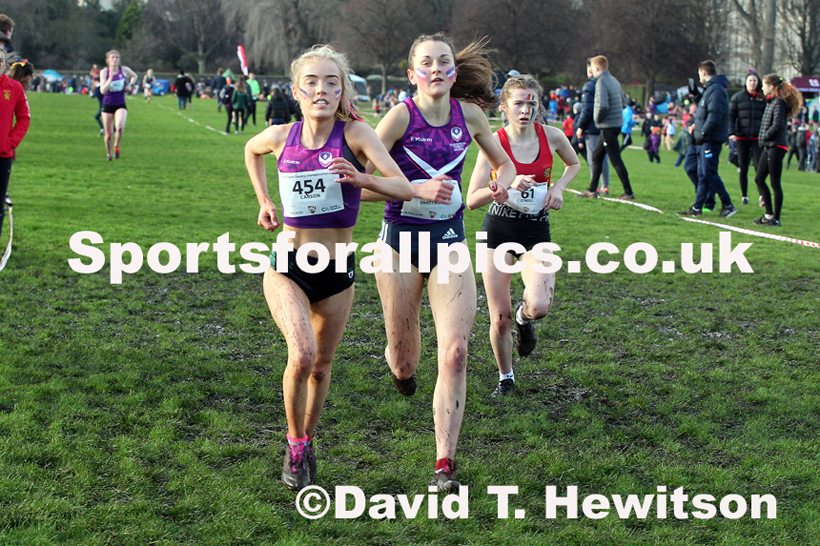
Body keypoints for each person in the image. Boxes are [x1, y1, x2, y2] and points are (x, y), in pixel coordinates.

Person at [244, 45, 413, 491]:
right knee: (300, 355)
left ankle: (309, 439)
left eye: (332, 82)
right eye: (313, 82)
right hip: (288, 265)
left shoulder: (356, 134)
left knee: (321, 366)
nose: (322, 90)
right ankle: (295, 445)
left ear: (343, 92)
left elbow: (401, 186)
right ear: (298, 90)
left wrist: (362, 179)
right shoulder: (282, 136)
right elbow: (250, 150)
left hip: (337, 272)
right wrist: (264, 201)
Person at [363, 34, 514, 493]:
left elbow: (502, 166)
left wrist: (499, 185)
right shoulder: (397, 119)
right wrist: (413, 189)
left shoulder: (468, 117)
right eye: (424, 63)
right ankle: (398, 365)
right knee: (407, 365)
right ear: (412, 75)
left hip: (449, 244)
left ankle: (444, 463)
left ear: (453, 72)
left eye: (442, 62)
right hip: (398, 246)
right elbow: (356, 187)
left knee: (454, 352)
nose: (434, 69)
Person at [466, 74, 580, 398]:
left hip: (535, 230)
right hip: (498, 229)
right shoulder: (494, 143)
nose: (526, 109)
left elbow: (574, 163)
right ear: (504, 107)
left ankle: (524, 317)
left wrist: (558, 188)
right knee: (498, 318)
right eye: (518, 102)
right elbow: (472, 199)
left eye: (532, 102)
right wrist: (501, 187)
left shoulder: (553, 137)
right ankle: (506, 378)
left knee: (540, 305)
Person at [677, 60, 737, 218]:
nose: (699, 77)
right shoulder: (710, 90)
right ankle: (698, 207)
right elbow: (705, 110)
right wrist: (696, 96)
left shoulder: (716, 90)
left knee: (709, 173)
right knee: (702, 173)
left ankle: (728, 204)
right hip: (703, 138)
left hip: (709, 139)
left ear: (704, 73)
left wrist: (703, 134)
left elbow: (714, 115)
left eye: (699, 74)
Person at [576, 55, 635, 200]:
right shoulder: (614, 80)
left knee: (615, 160)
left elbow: (602, 105)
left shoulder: (601, 82)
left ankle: (628, 192)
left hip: (608, 126)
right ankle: (592, 189)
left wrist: (597, 119)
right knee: (597, 156)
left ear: (595, 68)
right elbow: (621, 101)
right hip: (614, 124)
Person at [753, 74, 803, 227]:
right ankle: (768, 214)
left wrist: (765, 137)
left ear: (772, 87)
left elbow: (778, 125)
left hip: (776, 146)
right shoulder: (771, 102)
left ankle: (776, 218)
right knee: (759, 178)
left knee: (775, 183)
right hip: (769, 145)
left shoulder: (778, 103)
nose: (762, 87)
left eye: (764, 84)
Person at [0, 47, 30, 237]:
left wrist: (10, 142)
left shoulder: (14, 88)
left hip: (2, 155)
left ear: (4, 64)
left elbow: (24, 118)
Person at [728, 71, 765, 205]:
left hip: (757, 137)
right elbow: (731, 116)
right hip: (742, 137)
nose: (752, 83)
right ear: (745, 82)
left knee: (758, 166)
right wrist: (732, 132)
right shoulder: (737, 98)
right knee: (743, 167)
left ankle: (762, 195)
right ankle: (744, 195)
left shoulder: (762, 98)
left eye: (754, 81)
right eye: (750, 80)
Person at [574, 60, 610, 195]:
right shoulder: (606, 84)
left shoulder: (589, 86)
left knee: (593, 159)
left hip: (592, 128)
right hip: (604, 126)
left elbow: (587, 109)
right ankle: (604, 186)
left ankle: (594, 187)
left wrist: (580, 126)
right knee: (603, 157)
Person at [99, 50, 137, 161]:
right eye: (113, 57)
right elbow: (102, 91)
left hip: (120, 104)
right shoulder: (104, 72)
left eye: (117, 57)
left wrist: (130, 84)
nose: (115, 59)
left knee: (120, 127)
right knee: (109, 134)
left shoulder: (124, 70)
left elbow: (134, 76)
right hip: (107, 105)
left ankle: (116, 145)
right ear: (108, 60)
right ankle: (109, 154)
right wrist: (110, 78)